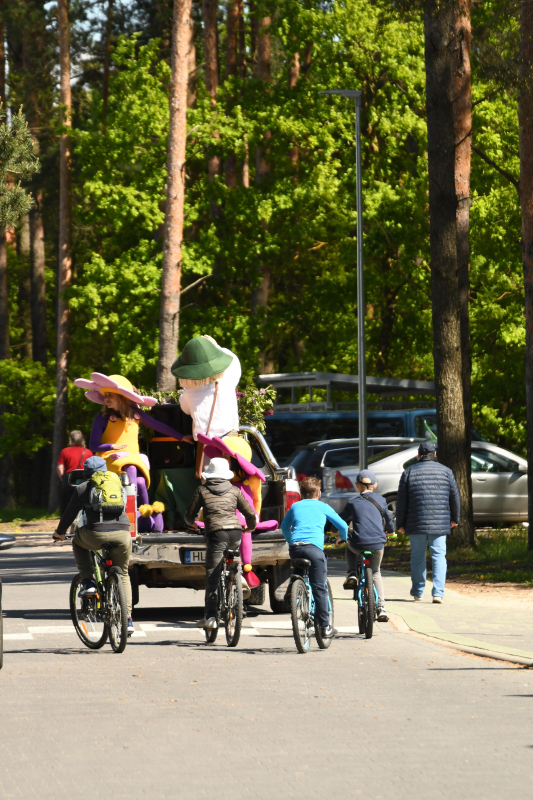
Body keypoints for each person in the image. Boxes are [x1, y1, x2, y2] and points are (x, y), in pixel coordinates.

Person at [74, 372, 193, 532]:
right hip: (110, 458)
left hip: (132, 458)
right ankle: (128, 513)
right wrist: (111, 446)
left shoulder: (135, 414)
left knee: (141, 483)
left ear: (121, 397)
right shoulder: (102, 418)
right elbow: (93, 445)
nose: (106, 399)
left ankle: (145, 515)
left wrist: (181, 437)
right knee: (130, 466)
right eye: (105, 395)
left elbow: (158, 426)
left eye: (111, 395)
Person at [52, 456, 136, 635]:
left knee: (78, 542)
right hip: (123, 534)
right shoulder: (117, 484)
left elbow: (69, 513)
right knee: (123, 572)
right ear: (105, 469)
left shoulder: (83, 487)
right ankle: (127, 620)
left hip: (96, 533)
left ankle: (89, 581)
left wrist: (60, 532)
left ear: (87, 473)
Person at [184, 458, 257, 629]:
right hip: (235, 532)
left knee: (213, 574)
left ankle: (210, 616)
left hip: (217, 534)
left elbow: (189, 514)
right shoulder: (235, 490)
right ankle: (237, 578)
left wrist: (192, 524)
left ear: (209, 474)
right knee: (233, 558)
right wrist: (250, 528)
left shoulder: (202, 490)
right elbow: (250, 514)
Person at [280, 476, 348, 639]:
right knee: (319, 587)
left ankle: (293, 587)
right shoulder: (322, 506)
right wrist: (342, 538)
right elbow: (343, 526)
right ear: (318, 493)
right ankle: (325, 627)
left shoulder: (295, 506)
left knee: (299, 568)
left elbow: (284, 527)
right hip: (314, 550)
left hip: (296, 548)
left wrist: (291, 542)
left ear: (301, 494)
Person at [396, 441, 460, 603]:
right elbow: (455, 497)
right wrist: (455, 518)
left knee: (417, 556)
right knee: (439, 555)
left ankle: (418, 592)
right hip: (440, 521)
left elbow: (402, 501)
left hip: (415, 521)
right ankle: (438, 593)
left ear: (418, 455)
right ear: (435, 454)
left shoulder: (408, 472)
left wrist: (400, 524)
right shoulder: (446, 471)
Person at [339, 469, 394, 622]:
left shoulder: (352, 501)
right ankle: (381, 607)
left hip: (358, 543)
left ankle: (351, 573)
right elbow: (388, 520)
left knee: (348, 545)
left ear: (357, 485)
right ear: (374, 485)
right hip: (377, 544)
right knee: (376, 572)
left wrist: (334, 533)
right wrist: (390, 532)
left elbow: (341, 520)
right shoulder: (382, 500)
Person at [56, 431, 93, 513]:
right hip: (84, 479)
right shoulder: (88, 452)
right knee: (84, 500)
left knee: (67, 502)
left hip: (69, 479)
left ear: (70, 440)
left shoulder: (65, 451)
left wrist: (63, 478)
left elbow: (59, 467)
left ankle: (66, 521)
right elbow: (92, 467)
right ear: (82, 440)